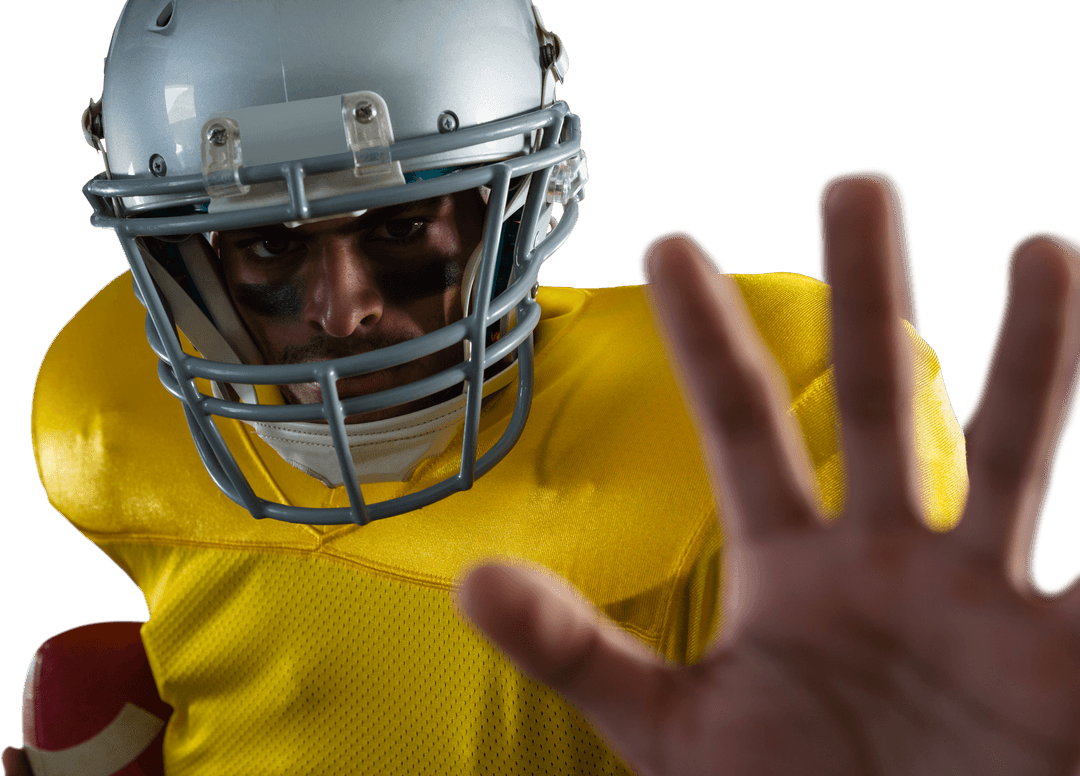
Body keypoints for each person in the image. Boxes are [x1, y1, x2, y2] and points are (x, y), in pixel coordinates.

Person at [4, 2, 1076, 776]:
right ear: (183, 264)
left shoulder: (759, 426)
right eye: (270, 247)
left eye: (399, 226)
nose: (343, 311)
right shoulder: (120, 437)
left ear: (517, 205)